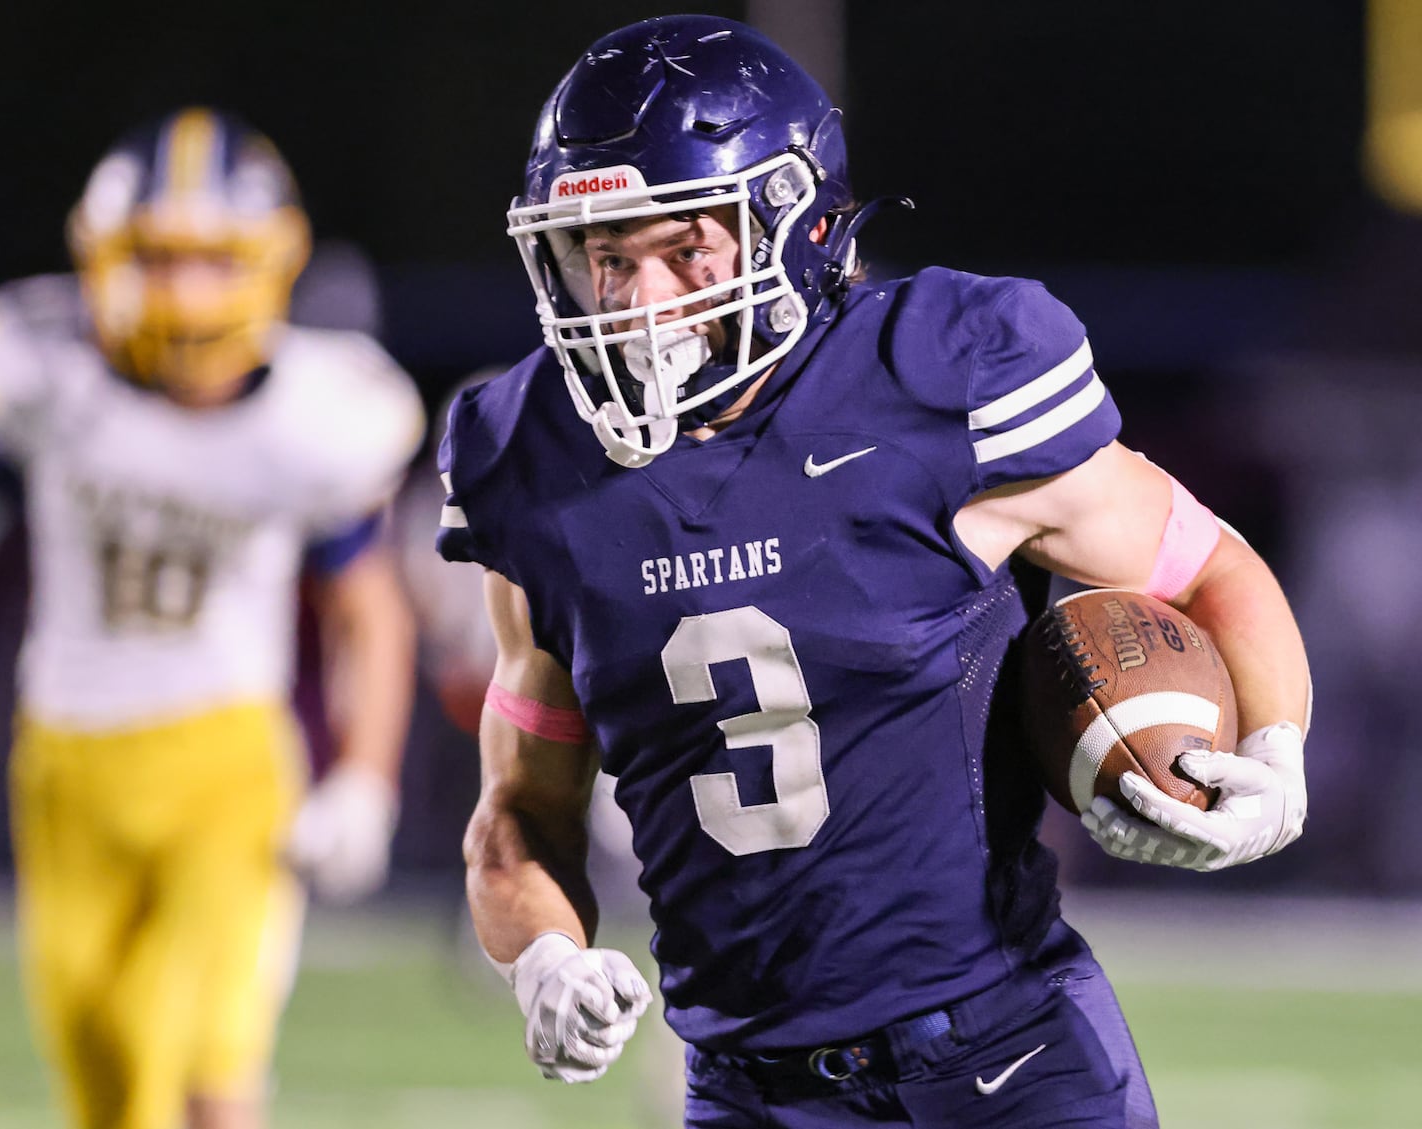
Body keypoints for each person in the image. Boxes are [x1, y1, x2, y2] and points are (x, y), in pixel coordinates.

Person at [436, 16, 1310, 1129]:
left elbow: (1210, 568)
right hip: (747, 1093)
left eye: (686, 248)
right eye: (609, 256)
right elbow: (521, 806)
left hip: (1010, 1059)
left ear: (790, 228)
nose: (644, 300)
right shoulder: (531, 465)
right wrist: (543, 956)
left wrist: (1275, 755)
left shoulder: (935, 378)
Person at [0, 107, 424, 1129]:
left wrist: (364, 780)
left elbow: (368, 609)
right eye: (158, 259)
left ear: (270, 262)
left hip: (224, 764)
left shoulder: (311, 411)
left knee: (214, 1076)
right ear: (103, 257)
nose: (186, 293)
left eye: (214, 261)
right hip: (66, 764)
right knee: (110, 1096)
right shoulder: (50, 370)